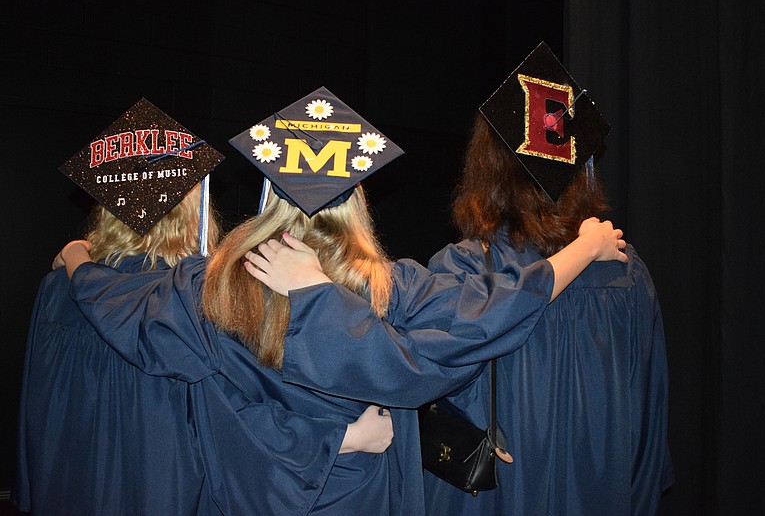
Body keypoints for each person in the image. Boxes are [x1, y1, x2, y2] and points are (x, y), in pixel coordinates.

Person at [57, 88, 628, 515]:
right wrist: (582, 249)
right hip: (366, 492)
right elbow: (482, 319)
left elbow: (128, 316)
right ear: (358, 201)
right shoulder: (391, 286)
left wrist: (80, 259)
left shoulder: (209, 284)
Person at [14, 98, 392, 516]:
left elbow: (39, 406)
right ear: (194, 210)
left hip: (70, 483)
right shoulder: (191, 298)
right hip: (162, 485)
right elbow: (233, 418)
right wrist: (345, 437)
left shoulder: (56, 286)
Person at [420, 44, 674, 515]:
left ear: (487, 172)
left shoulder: (467, 269)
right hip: (600, 489)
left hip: (503, 492)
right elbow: (648, 415)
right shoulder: (626, 269)